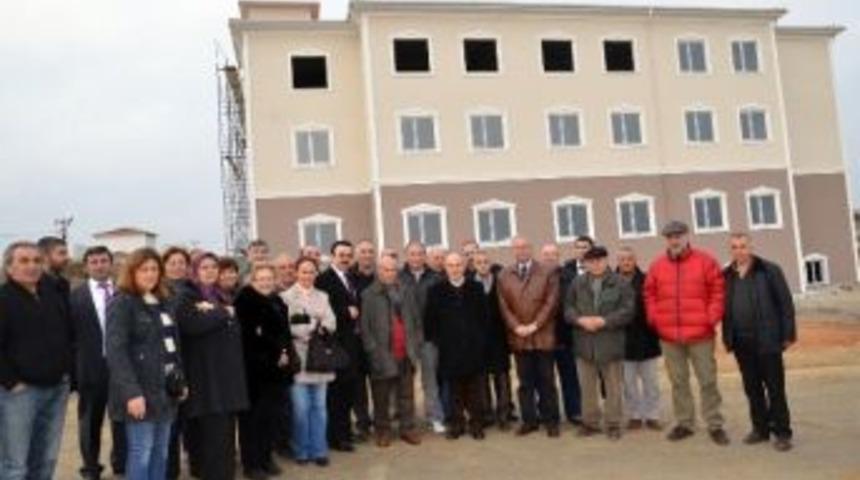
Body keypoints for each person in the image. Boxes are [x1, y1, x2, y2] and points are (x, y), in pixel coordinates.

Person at [644, 220, 729, 445]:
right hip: (670, 337)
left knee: (707, 380)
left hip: (701, 335)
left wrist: (709, 320)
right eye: (670, 236)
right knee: (678, 381)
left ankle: (715, 423)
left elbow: (718, 293)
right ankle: (685, 422)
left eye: (678, 235)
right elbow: (649, 294)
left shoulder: (706, 261)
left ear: (686, 235)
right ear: (666, 239)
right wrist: (656, 319)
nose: (674, 240)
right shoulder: (657, 265)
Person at [106, 248, 185, 480]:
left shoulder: (163, 301)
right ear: (132, 272)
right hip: (141, 391)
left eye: (154, 269)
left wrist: (181, 381)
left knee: (161, 451)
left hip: (166, 390)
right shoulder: (122, 303)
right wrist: (132, 393)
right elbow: (116, 352)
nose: (150, 274)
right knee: (142, 452)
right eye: (144, 269)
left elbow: (173, 345)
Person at [0, 241, 74, 480]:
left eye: (36, 260)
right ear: (9, 268)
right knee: (15, 464)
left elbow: (67, 334)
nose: (31, 266)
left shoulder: (51, 296)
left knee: (46, 459)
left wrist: (66, 372)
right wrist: (12, 383)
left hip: (56, 389)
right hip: (20, 394)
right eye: (23, 261)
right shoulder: (3, 299)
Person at [176, 253, 249, 480]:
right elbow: (191, 325)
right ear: (194, 271)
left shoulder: (222, 294)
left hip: (226, 375)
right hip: (204, 377)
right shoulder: (187, 296)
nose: (209, 271)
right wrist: (221, 313)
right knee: (211, 434)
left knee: (224, 432)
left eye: (213, 267)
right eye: (204, 267)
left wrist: (217, 310)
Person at [723, 233, 796, 452]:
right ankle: (761, 429)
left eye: (743, 246)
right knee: (752, 389)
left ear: (751, 247)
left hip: (768, 340)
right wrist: (728, 336)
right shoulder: (726, 275)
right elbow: (724, 309)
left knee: (775, 388)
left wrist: (787, 335)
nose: (739, 251)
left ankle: (782, 432)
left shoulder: (769, 270)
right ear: (731, 250)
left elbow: (785, 304)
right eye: (734, 247)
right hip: (741, 342)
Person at [235, 263, 298, 479]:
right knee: (253, 421)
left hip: (277, 373)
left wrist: (286, 353)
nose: (265, 282)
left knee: (271, 418)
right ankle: (251, 465)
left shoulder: (277, 300)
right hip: (254, 373)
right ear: (252, 280)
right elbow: (249, 339)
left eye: (269, 278)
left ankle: (266, 458)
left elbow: (284, 333)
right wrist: (274, 355)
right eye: (261, 278)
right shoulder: (245, 301)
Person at [565, 246, 634, 441]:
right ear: (585, 263)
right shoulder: (577, 283)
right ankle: (590, 423)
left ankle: (613, 424)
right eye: (591, 261)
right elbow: (568, 308)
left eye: (600, 260)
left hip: (610, 345)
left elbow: (628, 311)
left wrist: (604, 321)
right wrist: (579, 320)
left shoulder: (620, 283)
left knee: (613, 388)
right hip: (584, 345)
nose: (595, 264)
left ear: (606, 260)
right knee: (587, 388)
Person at [71, 246, 127, 479]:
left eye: (104, 260)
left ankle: (121, 463)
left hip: (123, 368)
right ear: (86, 266)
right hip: (91, 369)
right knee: (90, 422)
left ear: (111, 263)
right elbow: (70, 337)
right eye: (93, 262)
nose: (99, 265)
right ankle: (91, 467)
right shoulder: (75, 296)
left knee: (122, 420)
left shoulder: (125, 292)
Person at [497, 236, 561, 437]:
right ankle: (529, 420)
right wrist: (516, 327)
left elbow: (551, 302)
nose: (521, 250)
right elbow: (503, 305)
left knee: (547, 381)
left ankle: (551, 421)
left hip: (542, 336)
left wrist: (534, 325)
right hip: (519, 338)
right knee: (525, 383)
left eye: (525, 246)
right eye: (517, 247)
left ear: (531, 249)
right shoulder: (504, 275)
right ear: (513, 250)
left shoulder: (547, 272)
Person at [360, 255, 423, 447]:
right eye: (386, 270)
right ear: (379, 271)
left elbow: (416, 320)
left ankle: (407, 429)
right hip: (382, 354)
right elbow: (365, 328)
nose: (390, 273)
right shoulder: (369, 294)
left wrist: (416, 343)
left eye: (393, 270)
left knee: (406, 395)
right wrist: (373, 351)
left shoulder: (406, 291)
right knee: (381, 398)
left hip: (406, 352)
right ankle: (383, 431)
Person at [426, 253, 488, 440]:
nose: (455, 268)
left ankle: (476, 425)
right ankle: (457, 424)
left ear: (464, 267)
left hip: (473, 348)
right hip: (449, 350)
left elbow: (485, 317)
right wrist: (440, 342)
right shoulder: (436, 290)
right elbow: (430, 320)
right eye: (451, 265)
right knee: (453, 391)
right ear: (445, 267)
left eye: (458, 265)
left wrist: (479, 340)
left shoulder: (476, 288)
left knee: (476, 391)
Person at [281, 257, 337, 467]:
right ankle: (301, 450)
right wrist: (315, 323)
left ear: (316, 273)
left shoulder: (323, 295)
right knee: (301, 409)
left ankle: (319, 450)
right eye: (303, 271)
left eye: (311, 271)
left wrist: (309, 323)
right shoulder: (285, 297)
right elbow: (290, 328)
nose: (307, 275)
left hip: (320, 359)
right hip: (298, 361)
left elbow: (331, 323)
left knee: (320, 408)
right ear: (296, 273)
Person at [314, 240, 363, 450]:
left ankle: (344, 432)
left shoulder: (352, 277)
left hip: (353, 344)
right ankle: (336, 437)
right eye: (341, 254)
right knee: (335, 394)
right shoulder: (323, 280)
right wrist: (344, 312)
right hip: (335, 344)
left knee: (348, 391)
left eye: (348, 254)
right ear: (332, 256)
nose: (345, 258)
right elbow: (321, 309)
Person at [398, 241, 445, 434]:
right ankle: (405, 420)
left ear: (425, 256)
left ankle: (434, 417)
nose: (416, 258)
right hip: (405, 338)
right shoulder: (398, 278)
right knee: (404, 382)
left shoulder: (436, 278)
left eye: (420, 254)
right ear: (406, 256)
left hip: (428, 338)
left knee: (430, 380)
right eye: (412, 254)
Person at [616, 246, 662, 432]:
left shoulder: (647, 280)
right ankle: (634, 416)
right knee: (628, 384)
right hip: (622, 342)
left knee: (651, 382)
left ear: (635, 260)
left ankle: (652, 415)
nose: (626, 262)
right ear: (618, 261)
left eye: (630, 259)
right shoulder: (610, 282)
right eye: (623, 259)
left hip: (647, 339)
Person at [160, 246, 195, 480]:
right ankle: (169, 470)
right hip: (170, 362)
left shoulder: (193, 289)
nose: (177, 266)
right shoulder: (160, 292)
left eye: (181, 262)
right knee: (170, 423)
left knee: (187, 419)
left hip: (193, 359)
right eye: (172, 262)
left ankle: (188, 461)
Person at [542, 241, 583, 426]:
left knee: (570, 378)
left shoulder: (570, 276)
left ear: (558, 256)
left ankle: (574, 412)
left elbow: (577, 304)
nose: (550, 257)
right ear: (542, 257)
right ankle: (549, 415)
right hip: (543, 338)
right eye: (546, 254)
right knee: (545, 380)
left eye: (553, 254)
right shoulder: (536, 277)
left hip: (567, 336)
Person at [472, 250, 514, 430]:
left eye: (485, 261)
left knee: (502, 378)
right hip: (478, 340)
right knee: (481, 380)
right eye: (479, 262)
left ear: (491, 263)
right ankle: (486, 414)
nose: (482, 264)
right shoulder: (468, 284)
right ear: (473, 265)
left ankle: (504, 414)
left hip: (499, 338)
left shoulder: (501, 283)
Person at [36, 236, 71, 304]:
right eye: (62, 253)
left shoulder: (63, 284)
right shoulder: (33, 285)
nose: (67, 257)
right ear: (45, 256)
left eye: (66, 253)